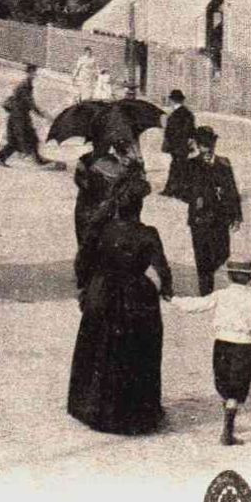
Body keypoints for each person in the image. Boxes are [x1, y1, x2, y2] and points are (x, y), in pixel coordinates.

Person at [67, 170, 173, 435]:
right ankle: (136, 413)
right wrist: (166, 291)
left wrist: (87, 287)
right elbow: (163, 270)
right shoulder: (148, 233)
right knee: (136, 352)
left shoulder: (102, 228)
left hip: (101, 293)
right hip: (136, 298)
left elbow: (82, 261)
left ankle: (91, 406)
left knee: (99, 349)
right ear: (139, 206)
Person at [167, 258, 251, 446]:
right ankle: (228, 430)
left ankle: (227, 421)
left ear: (229, 276)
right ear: (250, 278)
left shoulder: (221, 295)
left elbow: (197, 305)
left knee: (224, 385)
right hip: (243, 346)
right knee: (237, 389)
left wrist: (174, 299)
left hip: (222, 344)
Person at [181, 125, 242, 297]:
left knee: (223, 253)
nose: (207, 149)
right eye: (203, 145)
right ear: (198, 146)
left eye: (210, 145)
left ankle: (209, 272)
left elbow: (232, 190)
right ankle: (206, 292)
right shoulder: (191, 164)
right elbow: (181, 188)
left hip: (221, 218)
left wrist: (236, 216)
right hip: (199, 218)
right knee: (202, 256)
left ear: (214, 145)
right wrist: (194, 198)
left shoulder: (224, 163)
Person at [0, 63, 52, 166]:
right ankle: (0, 157)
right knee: (15, 140)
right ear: (29, 72)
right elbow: (30, 103)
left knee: (33, 137)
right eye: (34, 72)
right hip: (18, 117)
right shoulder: (24, 85)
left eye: (35, 72)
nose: (35, 75)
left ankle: (38, 160)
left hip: (22, 116)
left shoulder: (27, 84)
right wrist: (43, 114)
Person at [160, 89, 195, 199]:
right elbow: (191, 130)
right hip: (181, 145)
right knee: (178, 166)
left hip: (177, 145)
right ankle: (174, 190)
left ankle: (176, 191)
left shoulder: (176, 114)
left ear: (172, 100)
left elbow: (176, 130)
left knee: (178, 167)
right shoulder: (187, 113)